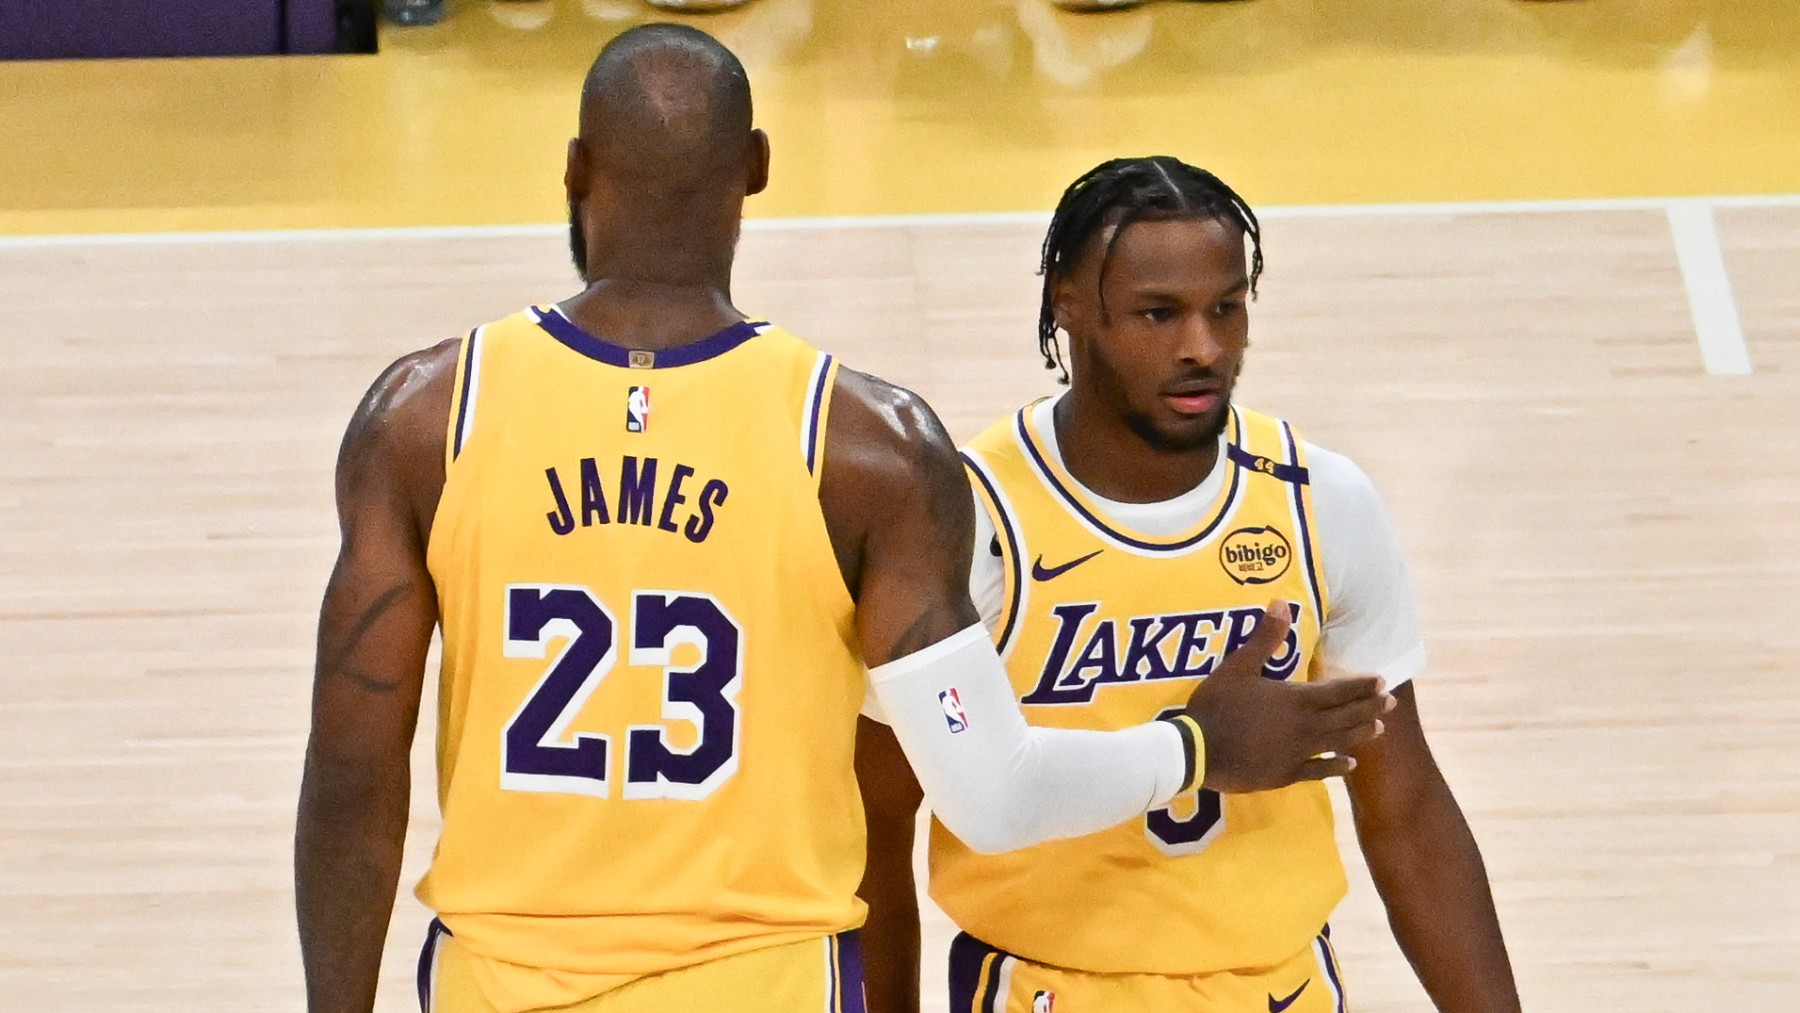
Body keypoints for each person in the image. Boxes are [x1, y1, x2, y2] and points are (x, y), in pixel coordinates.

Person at [294, 26, 1391, 1013]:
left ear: (576, 170)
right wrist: (1194, 743)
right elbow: (990, 789)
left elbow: (352, 779)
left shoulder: (430, 416)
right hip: (766, 982)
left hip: (500, 980)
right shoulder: (866, 444)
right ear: (758, 169)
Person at [856, 157, 1521, 1013]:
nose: (1201, 348)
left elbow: (1408, 812)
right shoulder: (971, 517)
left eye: (1226, 308)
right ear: (1068, 303)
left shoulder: (1320, 499)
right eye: (1157, 314)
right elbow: (875, 820)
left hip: (1284, 989)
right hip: (1052, 990)